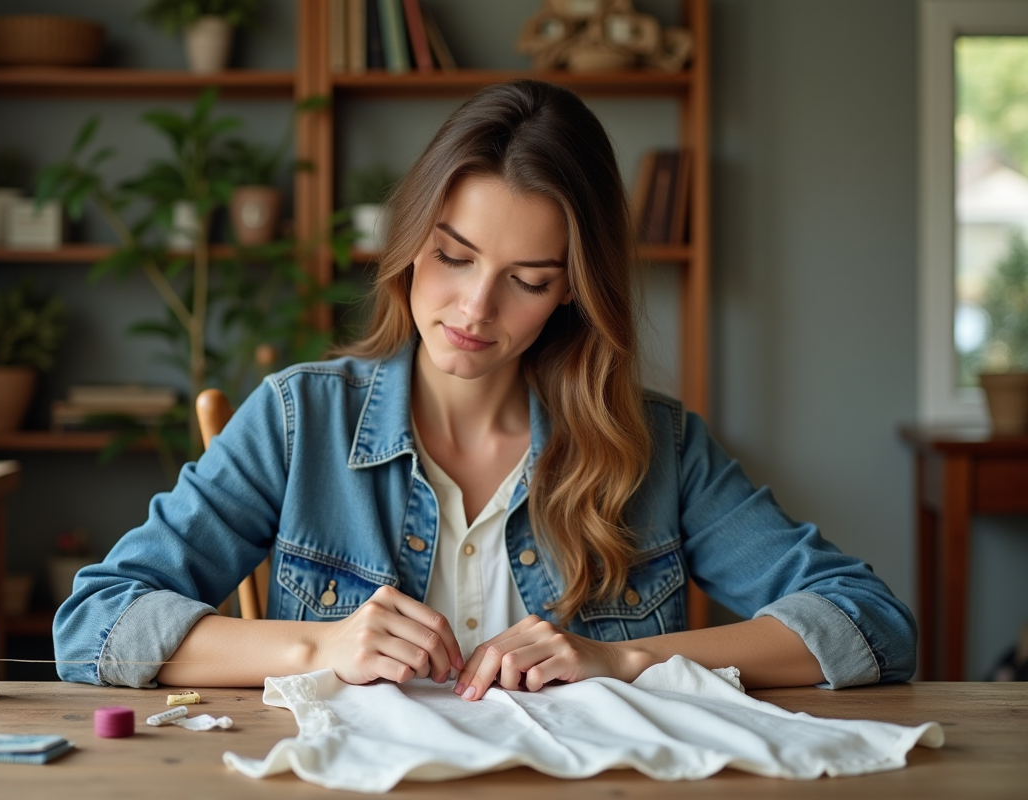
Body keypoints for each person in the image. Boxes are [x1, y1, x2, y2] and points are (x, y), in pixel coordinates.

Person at [54, 80, 916, 697]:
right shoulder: (297, 420)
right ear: (411, 239)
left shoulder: (657, 448)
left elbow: (870, 623)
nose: (474, 307)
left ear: (573, 290)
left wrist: (622, 661)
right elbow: (93, 624)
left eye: (529, 279)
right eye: (454, 256)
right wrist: (322, 644)